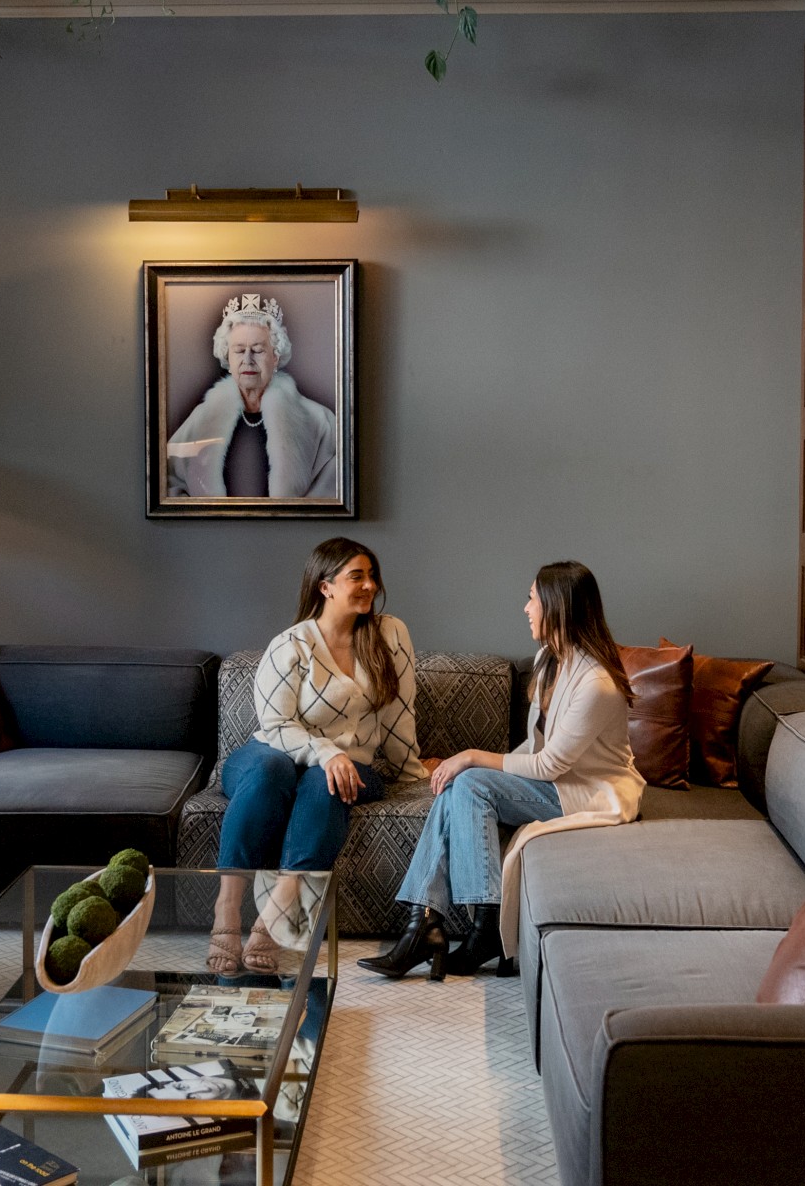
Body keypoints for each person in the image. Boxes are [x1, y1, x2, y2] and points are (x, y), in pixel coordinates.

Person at [359, 560, 643, 981]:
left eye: (531, 598)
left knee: (470, 780)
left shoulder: (596, 683)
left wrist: (472, 756)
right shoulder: (551, 658)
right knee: (461, 786)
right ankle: (424, 923)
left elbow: (550, 765)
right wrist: (474, 768)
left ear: (556, 605)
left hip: (590, 791)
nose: (525, 608)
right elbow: (537, 745)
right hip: (559, 783)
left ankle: (482, 926)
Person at [211, 537, 418, 975]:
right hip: (269, 756)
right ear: (325, 586)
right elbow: (275, 727)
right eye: (355, 576)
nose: (369, 585)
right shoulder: (291, 645)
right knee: (272, 770)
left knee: (327, 784)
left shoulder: (389, 634)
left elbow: (400, 712)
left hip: (347, 766)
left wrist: (414, 773)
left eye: (371, 575)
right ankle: (225, 914)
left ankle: (271, 924)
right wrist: (326, 752)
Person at [168, 293, 338, 498]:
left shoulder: (319, 419)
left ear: (275, 357)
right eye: (239, 351)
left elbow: (337, 485)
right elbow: (167, 480)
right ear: (227, 357)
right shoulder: (201, 418)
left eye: (258, 350)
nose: (247, 360)